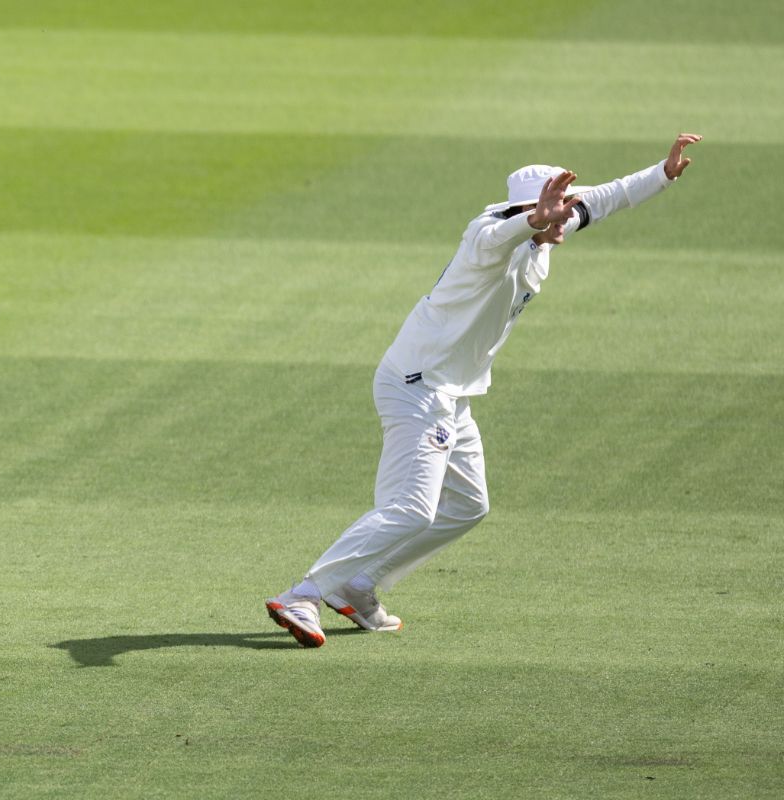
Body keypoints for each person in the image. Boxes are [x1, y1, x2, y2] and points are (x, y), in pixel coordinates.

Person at [264, 134, 704, 648]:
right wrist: (536, 220)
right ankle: (306, 593)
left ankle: (362, 585)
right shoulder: (487, 236)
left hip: (452, 392)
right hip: (417, 385)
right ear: (527, 208)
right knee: (411, 508)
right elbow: (502, 235)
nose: (566, 218)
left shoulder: (550, 226)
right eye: (555, 210)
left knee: (468, 505)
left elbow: (609, 197)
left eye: (565, 207)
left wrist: (664, 173)